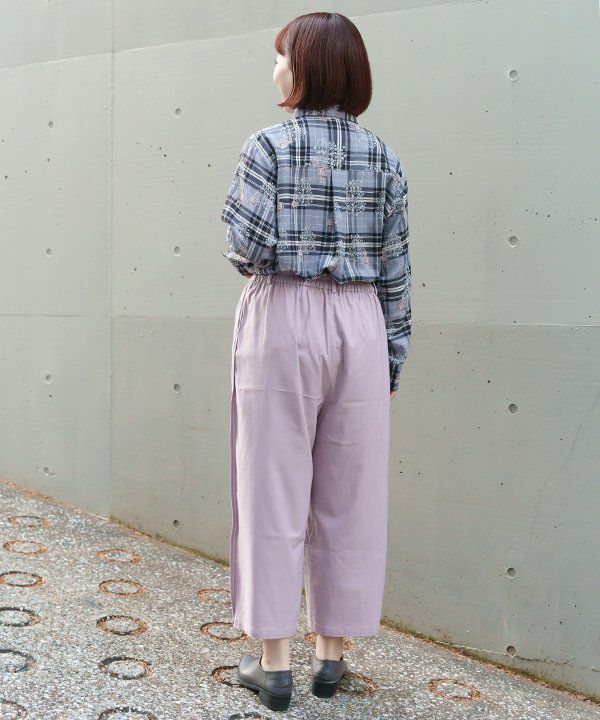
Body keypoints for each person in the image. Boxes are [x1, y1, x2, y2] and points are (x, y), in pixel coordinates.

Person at [220, 11, 412, 712]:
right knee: (350, 493)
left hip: (283, 315)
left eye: (281, 58)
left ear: (304, 69)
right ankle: (332, 657)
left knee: (270, 486)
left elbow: (244, 246)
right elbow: (397, 267)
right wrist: (391, 358)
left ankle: (274, 664)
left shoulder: (266, 146)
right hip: (361, 323)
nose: (274, 69)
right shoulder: (384, 157)